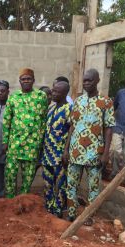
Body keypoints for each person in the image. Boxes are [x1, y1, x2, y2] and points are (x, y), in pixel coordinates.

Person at [63, 69, 115, 225]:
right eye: (84, 80)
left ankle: (88, 216)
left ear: (97, 80)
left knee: (93, 188)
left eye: (89, 80)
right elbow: (72, 126)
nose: (86, 83)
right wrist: (66, 149)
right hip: (75, 152)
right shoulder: (78, 101)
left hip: (95, 153)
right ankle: (71, 214)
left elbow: (109, 128)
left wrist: (106, 153)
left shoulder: (106, 102)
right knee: (71, 185)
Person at [2, 68, 48, 198]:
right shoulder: (13, 98)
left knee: (28, 178)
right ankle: (10, 202)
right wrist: (5, 141)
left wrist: (40, 142)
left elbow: (43, 120)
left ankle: (22, 201)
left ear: (33, 80)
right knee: (10, 176)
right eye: (23, 79)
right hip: (14, 146)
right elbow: (7, 121)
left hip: (32, 146)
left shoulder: (41, 96)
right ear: (19, 81)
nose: (26, 81)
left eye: (28, 79)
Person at [42, 81, 72, 218]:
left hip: (60, 154)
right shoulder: (51, 108)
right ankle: (49, 206)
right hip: (47, 153)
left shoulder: (69, 109)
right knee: (47, 182)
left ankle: (58, 208)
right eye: (52, 91)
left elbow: (71, 131)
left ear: (65, 93)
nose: (53, 94)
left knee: (60, 183)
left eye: (56, 92)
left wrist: (66, 151)